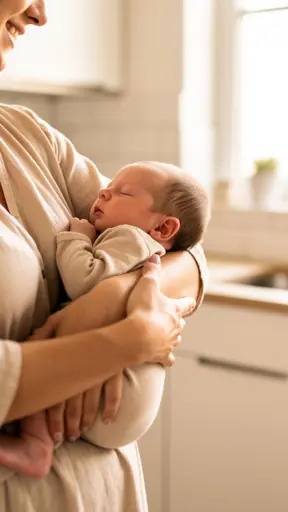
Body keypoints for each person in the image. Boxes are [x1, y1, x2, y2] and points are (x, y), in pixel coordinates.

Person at [0, 2, 208, 511]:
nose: (39, 13)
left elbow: (187, 253)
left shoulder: (26, 136)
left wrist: (109, 297)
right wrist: (132, 337)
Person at [0, 160, 210, 477]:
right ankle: (37, 442)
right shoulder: (135, 236)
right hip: (124, 392)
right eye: (108, 188)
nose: (103, 193)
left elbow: (86, 279)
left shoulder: (132, 238)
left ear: (164, 228)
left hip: (122, 389)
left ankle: (35, 443)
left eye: (121, 192)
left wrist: (77, 237)